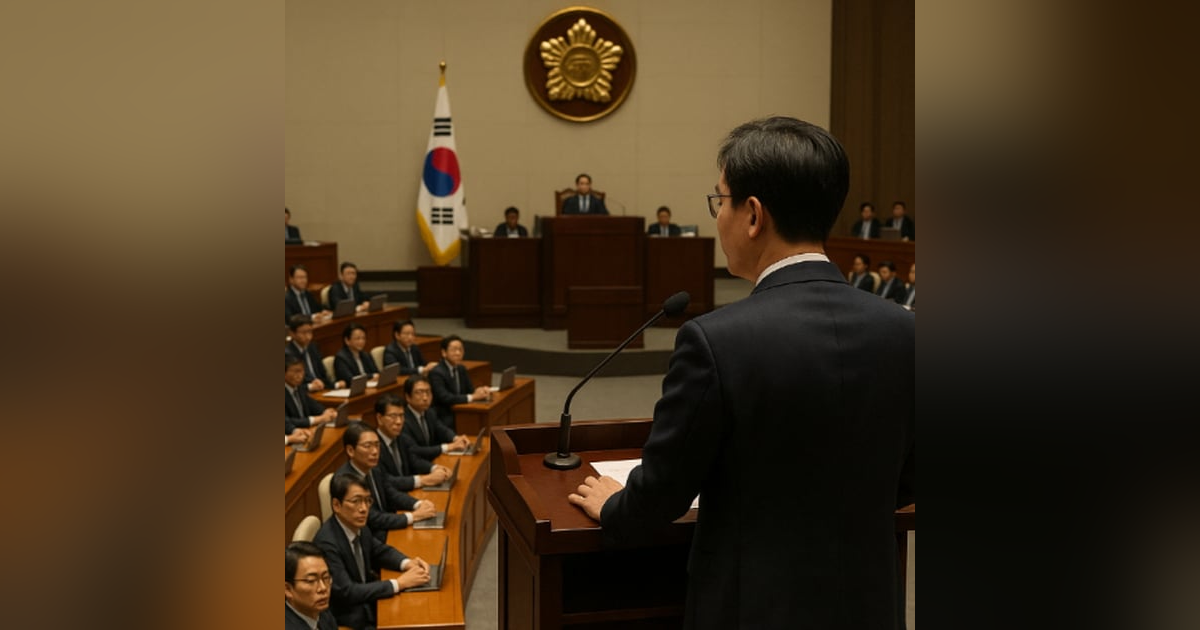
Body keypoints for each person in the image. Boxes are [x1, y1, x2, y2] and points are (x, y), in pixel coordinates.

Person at [567, 116, 915, 629]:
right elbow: (908, 477)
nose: (717, 216)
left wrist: (615, 505)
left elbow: (661, 496)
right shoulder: (904, 329)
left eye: (720, 200)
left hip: (752, 607)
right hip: (868, 602)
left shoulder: (716, 341)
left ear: (753, 215)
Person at [314, 473, 432, 630]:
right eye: (356, 501)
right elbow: (347, 592)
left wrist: (407, 563)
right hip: (350, 619)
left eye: (367, 501)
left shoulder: (356, 524)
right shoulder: (327, 543)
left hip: (368, 602)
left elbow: (379, 551)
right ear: (336, 505)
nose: (363, 509)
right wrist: (399, 583)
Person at [336, 421, 438, 542]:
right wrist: (413, 516)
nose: (375, 451)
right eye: (368, 446)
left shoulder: (375, 468)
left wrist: (418, 504)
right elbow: (371, 517)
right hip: (370, 540)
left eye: (377, 445)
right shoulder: (346, 479)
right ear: (350, 450)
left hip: (385, 529)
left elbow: (391, 493)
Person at [371, 393, 456, 486]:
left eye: (401, 416)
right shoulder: (373, 446)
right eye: (393, 416)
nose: (399, 422)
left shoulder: (402, 438)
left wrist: (435, 468)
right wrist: (422, 480)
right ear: (379, 418)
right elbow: (386, 480)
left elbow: (414, 461)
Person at [427, 334, 492, 432]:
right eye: (454, 350)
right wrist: (473, 397)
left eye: (460, 350)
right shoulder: (436, 373)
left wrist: (480, 391)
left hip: (460, 410)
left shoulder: (461, 369)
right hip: (444, 415)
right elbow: (444, 397)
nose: (458, 353)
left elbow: (470, 390)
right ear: (444, 353)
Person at [398, 375, 469, 461]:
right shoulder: (402, 420)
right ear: (408, 397)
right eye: (419, 392)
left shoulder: (430, 412)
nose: (425, 398)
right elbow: (416, 450)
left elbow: (442, 429)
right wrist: (447, 447)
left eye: (428, 392)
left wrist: (456, 438)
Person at [285, 541, 339, 630]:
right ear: (288, 589)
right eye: (311, 581)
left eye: (326, 578)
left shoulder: (323, 614)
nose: (323, 588)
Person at [286, 352, 338, 438]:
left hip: (306, 432)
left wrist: (324, 411)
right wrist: (318, 419)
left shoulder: (299, 387)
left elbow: (311, 404)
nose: (300, 375)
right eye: (296, 371)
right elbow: (286, 422)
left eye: (302, 371)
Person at [288, 314, 342, 392]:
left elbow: (322, 373)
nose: (308, 336)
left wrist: (333, 385)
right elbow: (291, 384)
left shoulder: (313, 348)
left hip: (321, 389)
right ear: (292, 333)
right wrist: (310, 386)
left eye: (310, 332)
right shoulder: (287, 354)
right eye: (303, 333)